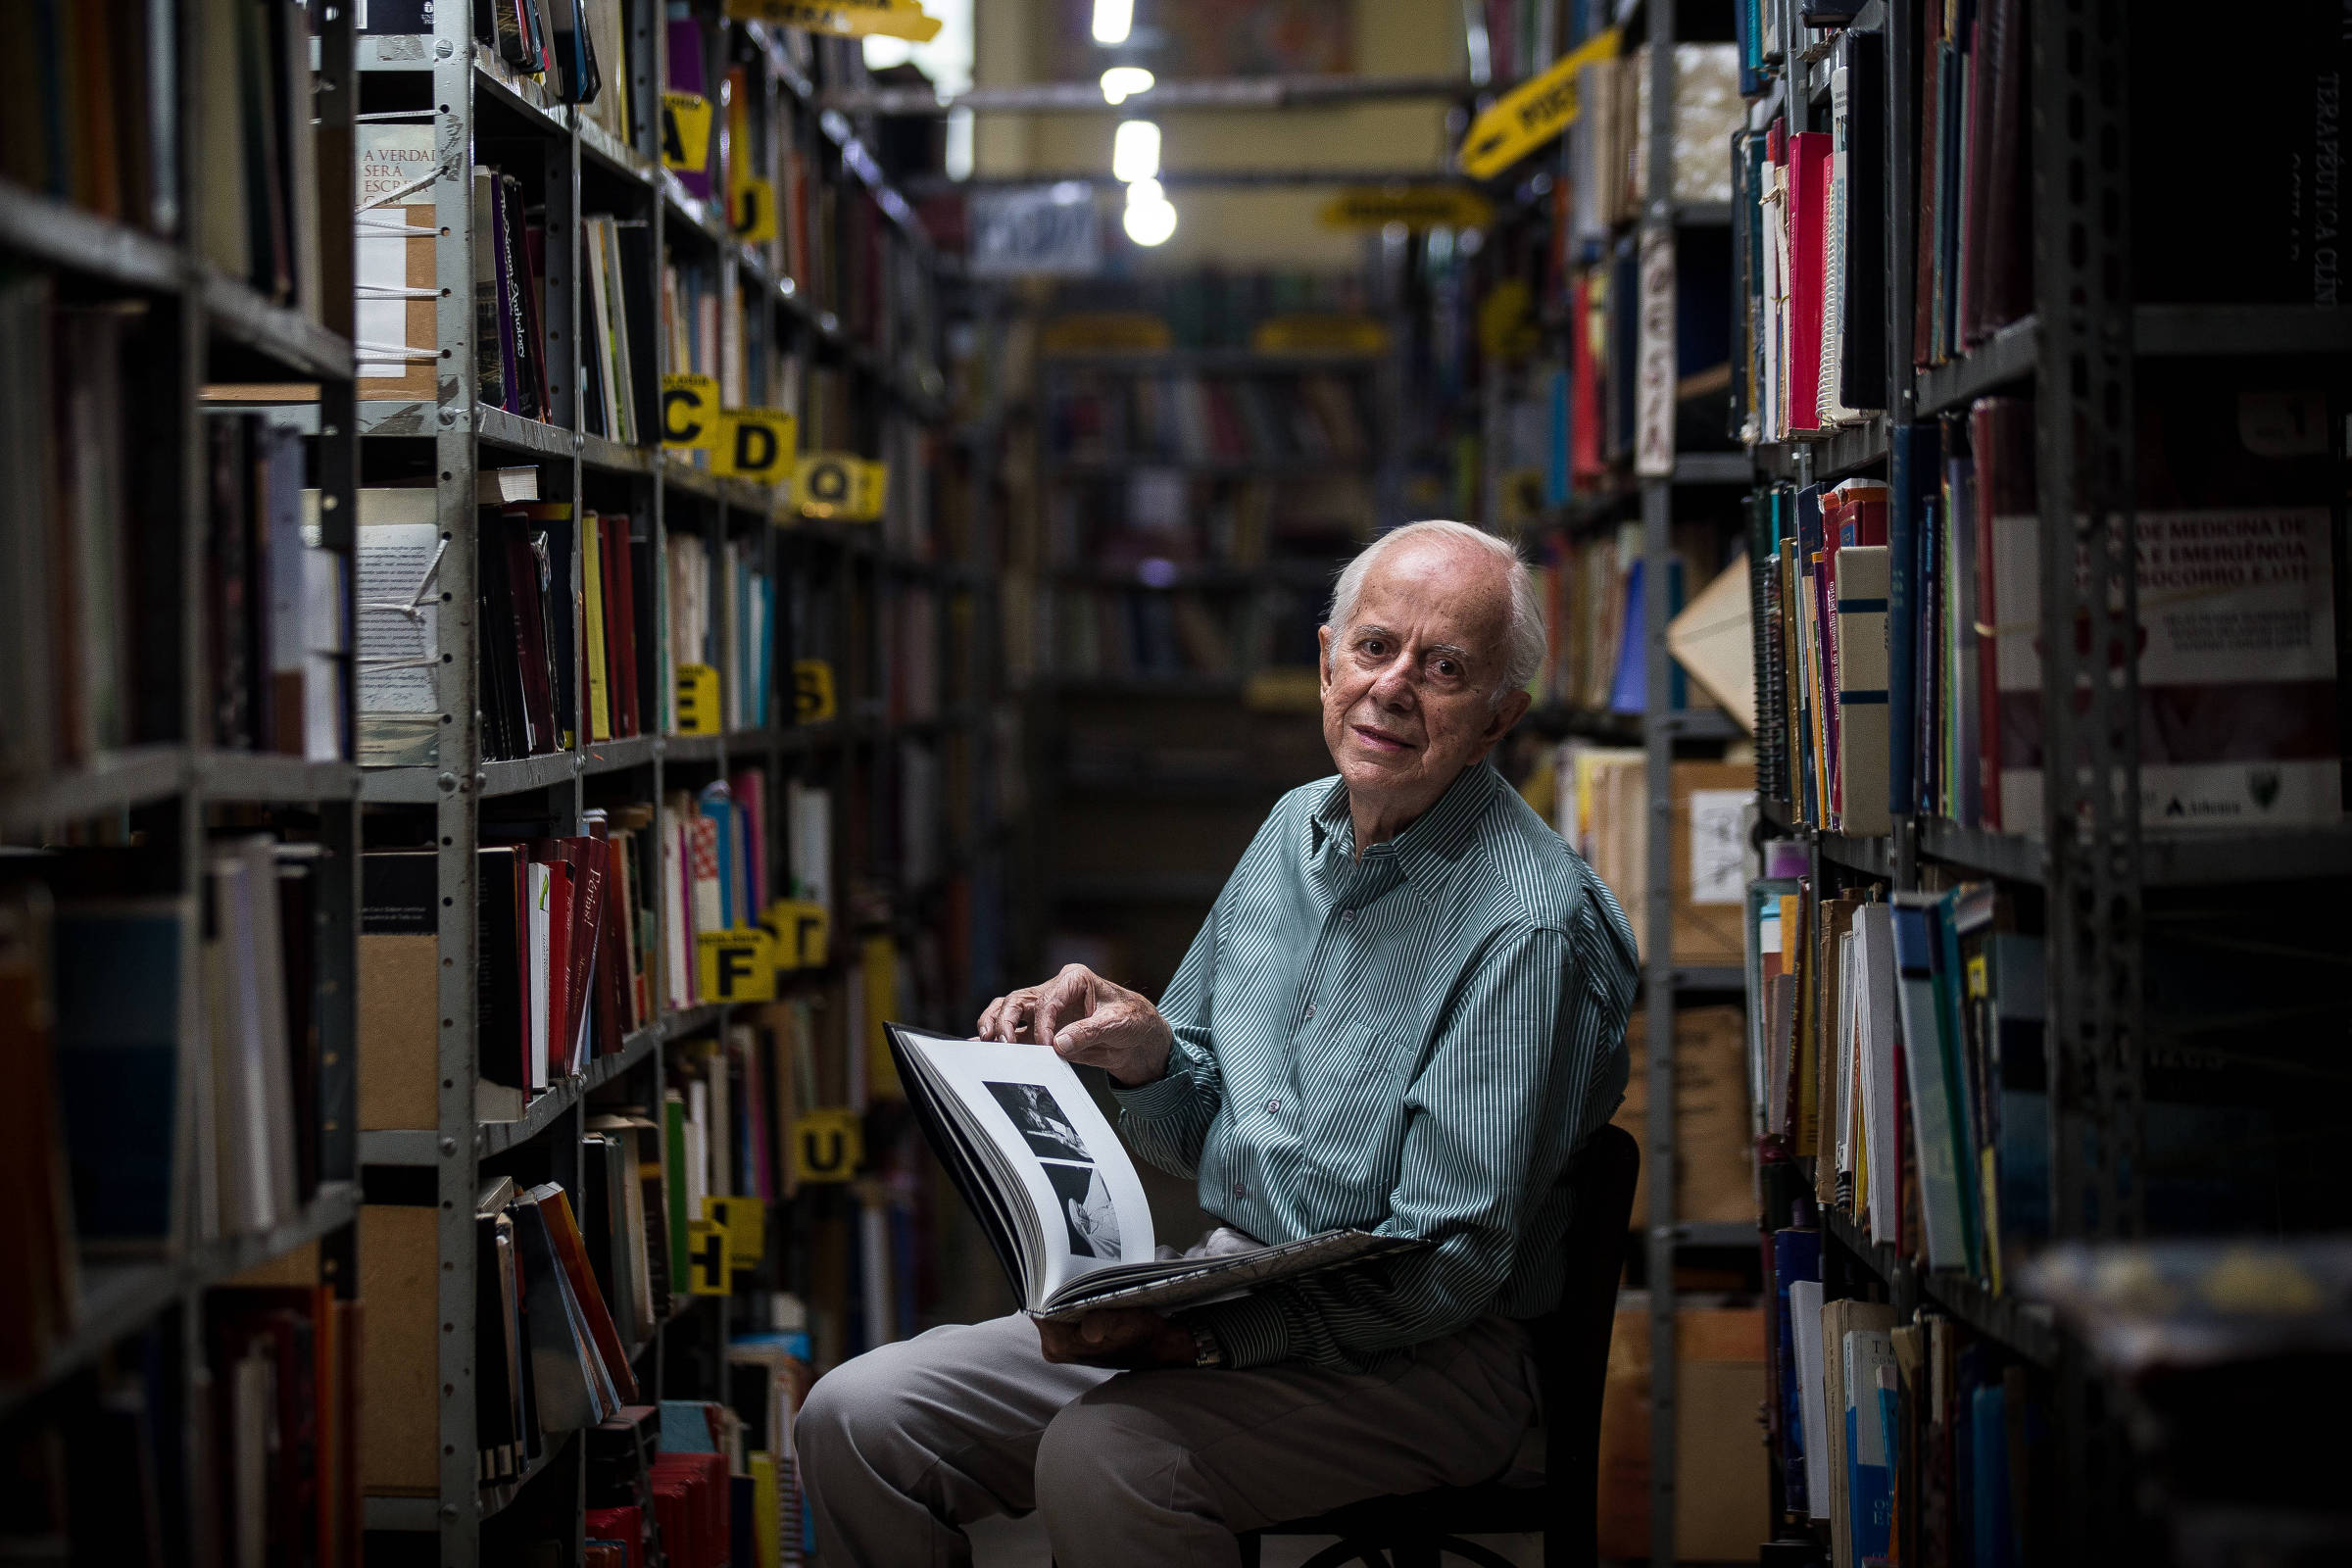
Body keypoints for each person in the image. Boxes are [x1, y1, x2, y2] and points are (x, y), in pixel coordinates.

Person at [797, 519, 1640, 1568]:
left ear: (1498, 718)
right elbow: (1200, 1123)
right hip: (1230, 1279)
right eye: (1375, 648)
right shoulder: (1296, 827)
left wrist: (1202, 1338)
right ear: (1325, 656)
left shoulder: (1530, 929)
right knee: (857, 1417)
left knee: (1108, 1457)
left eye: (1447, 668)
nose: (1393, 687)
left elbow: (1446, 1265)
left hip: (1433, 1356)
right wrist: (1145, 1051)